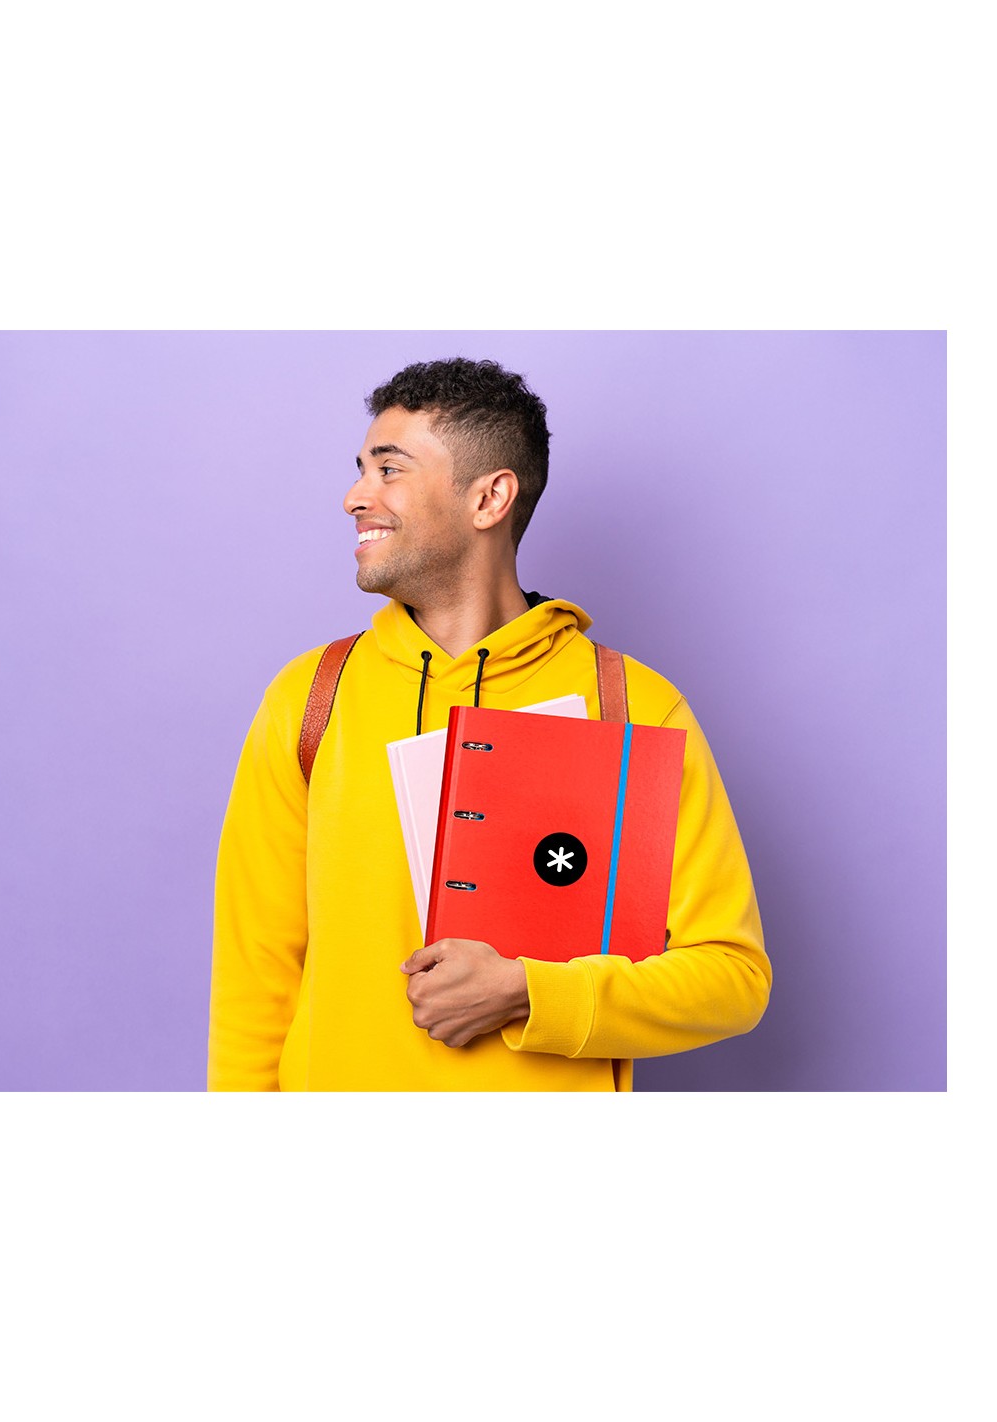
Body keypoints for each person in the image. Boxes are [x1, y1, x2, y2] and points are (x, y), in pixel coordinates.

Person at [207, 357, 771, 1091]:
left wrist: (530, 993)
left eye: (389, 470)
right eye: (361, 470)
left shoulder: (632, 707)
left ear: (489, 498)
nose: (355, 497)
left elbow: (732, 977)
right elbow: (254, 981)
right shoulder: (311, 699)